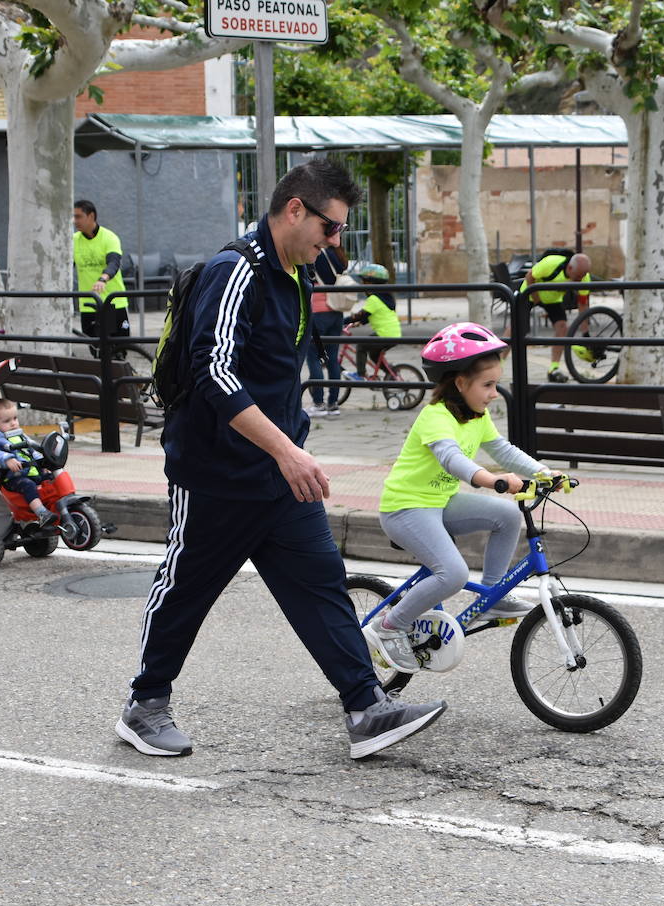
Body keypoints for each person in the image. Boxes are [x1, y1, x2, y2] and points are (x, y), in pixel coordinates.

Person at [116, 158, 447, 761]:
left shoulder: (294, 275)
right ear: (295, 209)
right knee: (186, 588)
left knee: (321, 586)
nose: (334, 242)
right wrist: (288, 449)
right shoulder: (233, 272)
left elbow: (273, 379)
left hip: (278, 477)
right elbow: (212, 375)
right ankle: (145, 705)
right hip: (215, 475)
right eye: (331, 228)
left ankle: (366, 707)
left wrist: (292, 452)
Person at [363, 322, 551, 673]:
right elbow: (452, 459)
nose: (495, 393)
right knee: (451, 572)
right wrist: (492, 480)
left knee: (506, 516)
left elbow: (504, 450)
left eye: (496, 384)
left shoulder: (477, 416)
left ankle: (491, 595)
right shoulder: (435, 417)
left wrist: (545, 474)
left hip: (441, 503)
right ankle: (387, 627)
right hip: (406, 508)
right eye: (488, 385)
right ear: (461, 383)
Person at [0, 399, 80, 540]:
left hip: (31, 472)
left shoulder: (17, 434)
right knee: (27, 485)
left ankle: (63, 508)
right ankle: (41, 513)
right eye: (7, 421)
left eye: (15, 418)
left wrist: (44, 462)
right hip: (12, 478)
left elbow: (31, 450)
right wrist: (7, 459)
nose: (13, 423)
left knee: (52, 479)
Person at [517, 250, 591, 382]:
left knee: (562, 327)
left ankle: (553, 368)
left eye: (582, 276)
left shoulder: (584, 277)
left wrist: (586, 333)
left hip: (552, 299)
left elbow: (583, 305)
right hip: (530, 293)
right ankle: (500, 364)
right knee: (515, 328)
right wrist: (536, 298)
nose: (580, 280)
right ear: (570, 268)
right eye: (578, 276)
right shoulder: (551, 263)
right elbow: (529, 276)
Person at [71, 200, 131, 341]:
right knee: (96, 350)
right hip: (88, 304)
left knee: (119, 348)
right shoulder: (72, 241)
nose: (75, 221)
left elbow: (114, 262)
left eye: (78, 216)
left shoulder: (109, 237)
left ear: (91, 216)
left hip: (114, 302)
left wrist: (103, 279)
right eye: (74, 217)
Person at [305, 245, 348, 417]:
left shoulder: (318, 254)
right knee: (332, 359)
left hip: (318, 312)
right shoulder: (338, 256)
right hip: (336, 312)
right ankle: (333, 404)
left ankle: (318, 404)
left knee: (314, 357)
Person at [345, 263, 400, 378]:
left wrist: (343, 321)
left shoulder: (374, 299)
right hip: (393, 334)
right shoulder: (385, 297)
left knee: (361, 346)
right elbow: (369, 316)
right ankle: (391, 374)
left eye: (364, 281)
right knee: (374, 355)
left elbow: (361, 315)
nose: (362, 284)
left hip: (385, 334)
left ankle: (360, 375)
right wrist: (359, 323)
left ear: (372, 283)